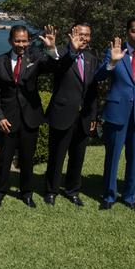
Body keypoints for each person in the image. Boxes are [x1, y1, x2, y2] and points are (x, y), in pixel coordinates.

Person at [95, 17, 135, 212]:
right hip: (117, 113)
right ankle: (108, 195)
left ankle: (130, 197)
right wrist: (112, 62)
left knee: (134, 159)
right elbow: (98, 77)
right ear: (127, 32)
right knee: (112, 157)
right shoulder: (114, 52)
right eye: (134, 31)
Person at [0, 25, 58, 208]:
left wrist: (51, 49)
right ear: (10, 41)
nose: (21, 44)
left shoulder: (35, 58)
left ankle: (26, 192)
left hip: (30, 116)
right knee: (4, 157)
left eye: (24, 40)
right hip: (7, 118)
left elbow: (54, 67)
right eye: (17, 40)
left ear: (29, 41)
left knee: (28, 158)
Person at [43, 24, 98, 207]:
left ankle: (73, 190)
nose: (84, 38)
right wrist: (71, 52)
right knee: (57, 156)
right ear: (71, 35)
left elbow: (93, 90)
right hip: (62, 114)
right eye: (80, 34)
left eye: (87, 35)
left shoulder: (91, 58)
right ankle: (51, 190)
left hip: (83, 117)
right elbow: (56, 68)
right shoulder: (59, 53)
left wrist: (93, 115)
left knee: (78, 156)